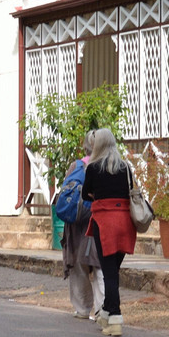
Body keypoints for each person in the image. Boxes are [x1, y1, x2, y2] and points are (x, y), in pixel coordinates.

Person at [81, 128, 137, 337]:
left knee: (108, 272)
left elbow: (85, 193)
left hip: (104, 222)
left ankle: (115, 318)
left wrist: (98, 193)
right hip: (125, 222)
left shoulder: (93, 168)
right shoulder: (125, 167)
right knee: (113, 270)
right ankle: (106, 312)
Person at [61, 131, 103, 320]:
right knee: (99, 264)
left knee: (79, 265)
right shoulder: (106, 165)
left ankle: (82, 308)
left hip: (78, 221)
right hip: (99, 219)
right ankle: (102, 308)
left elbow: (65, 191)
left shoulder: (76, 166)